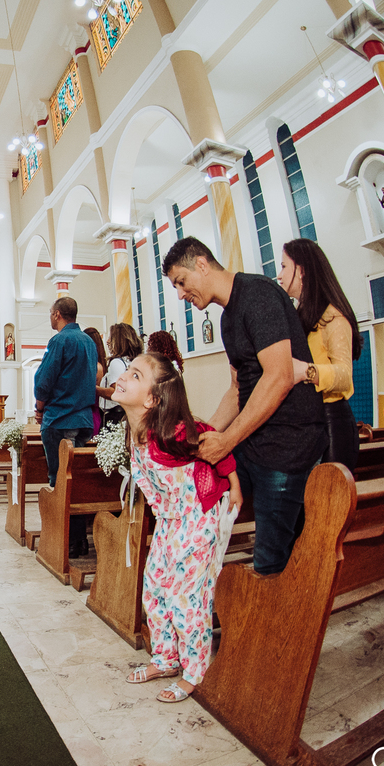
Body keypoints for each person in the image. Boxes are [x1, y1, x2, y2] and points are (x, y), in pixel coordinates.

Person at [163, 236, 325, 576]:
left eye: (181, 281)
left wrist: (227, 441)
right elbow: (238, 389)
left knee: (269, 560)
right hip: (255, 442)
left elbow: (280, 376)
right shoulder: (227, 319)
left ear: (202, 265)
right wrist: (201, 433)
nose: (180, 294)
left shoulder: (257, 294)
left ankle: (272, 605)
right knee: (202, 500)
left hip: (287, 446)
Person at [113, 352, 241, 703]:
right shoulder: (134, 435)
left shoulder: (172, 433)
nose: (123, 377)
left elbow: (210, 438)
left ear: (152, 400)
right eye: (127, 370)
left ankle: (195, 672)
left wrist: (234, 484)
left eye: (135, 375)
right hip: (171, 521)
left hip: (199, 517)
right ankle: (165, 659)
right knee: (154, 587)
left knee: (186, 597)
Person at [277, 239, 363, 471]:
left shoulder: (333, 316)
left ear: (302, 270)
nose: (279, 275)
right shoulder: (301, 314)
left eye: (284, 266)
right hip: (308, 423)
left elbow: (344, 376)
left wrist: (305, 371)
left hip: (332, 424)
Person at [33, 297, 97, 558]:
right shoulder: (89, 342)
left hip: (60, 418)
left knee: (59, 479)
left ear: (58, 314)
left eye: (50, 313)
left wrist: (39, 408)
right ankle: (79, 540)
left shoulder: (59, 341)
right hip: (83, 419)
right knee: (74, 480)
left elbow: (44, 380)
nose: (50, 317)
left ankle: (65, 542)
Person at [101, 323, 143, 428]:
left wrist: (94, 389)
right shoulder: (137, 361)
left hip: (116, 414)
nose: (107, 341)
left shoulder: (116, 363)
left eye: (111, 337)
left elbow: (115, 392)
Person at [83, 327, 109, 434]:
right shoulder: (101, 365)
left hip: (91, 413)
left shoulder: (96, 367)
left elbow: (90, 392)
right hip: (92, 412)